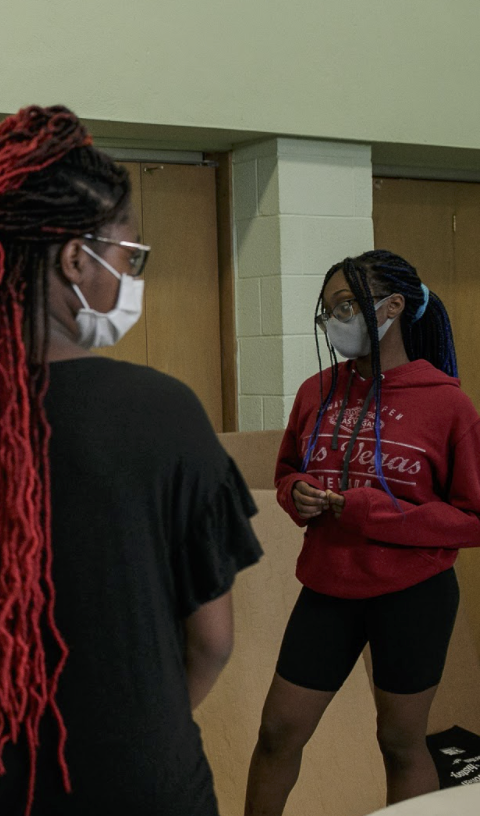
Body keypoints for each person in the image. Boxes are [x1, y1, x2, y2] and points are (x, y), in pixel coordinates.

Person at [0, 106, 263, 816]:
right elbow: (212, 643)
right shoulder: (162, 414)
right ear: (76, 258)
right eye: (130, 257)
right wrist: (128, 730)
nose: (130, 278)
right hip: (131, 787)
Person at [245, 250, 480, 815]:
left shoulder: (445, 402)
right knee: (279, 731)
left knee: (400, 742)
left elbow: (472, 518)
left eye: (346, 306)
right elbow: (287, 472)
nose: (335, 322)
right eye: (328, 312)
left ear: (393, 307)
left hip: (413, 595)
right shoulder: (315, 392)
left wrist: (374, 513)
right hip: (328, 589)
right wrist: (295, 492)